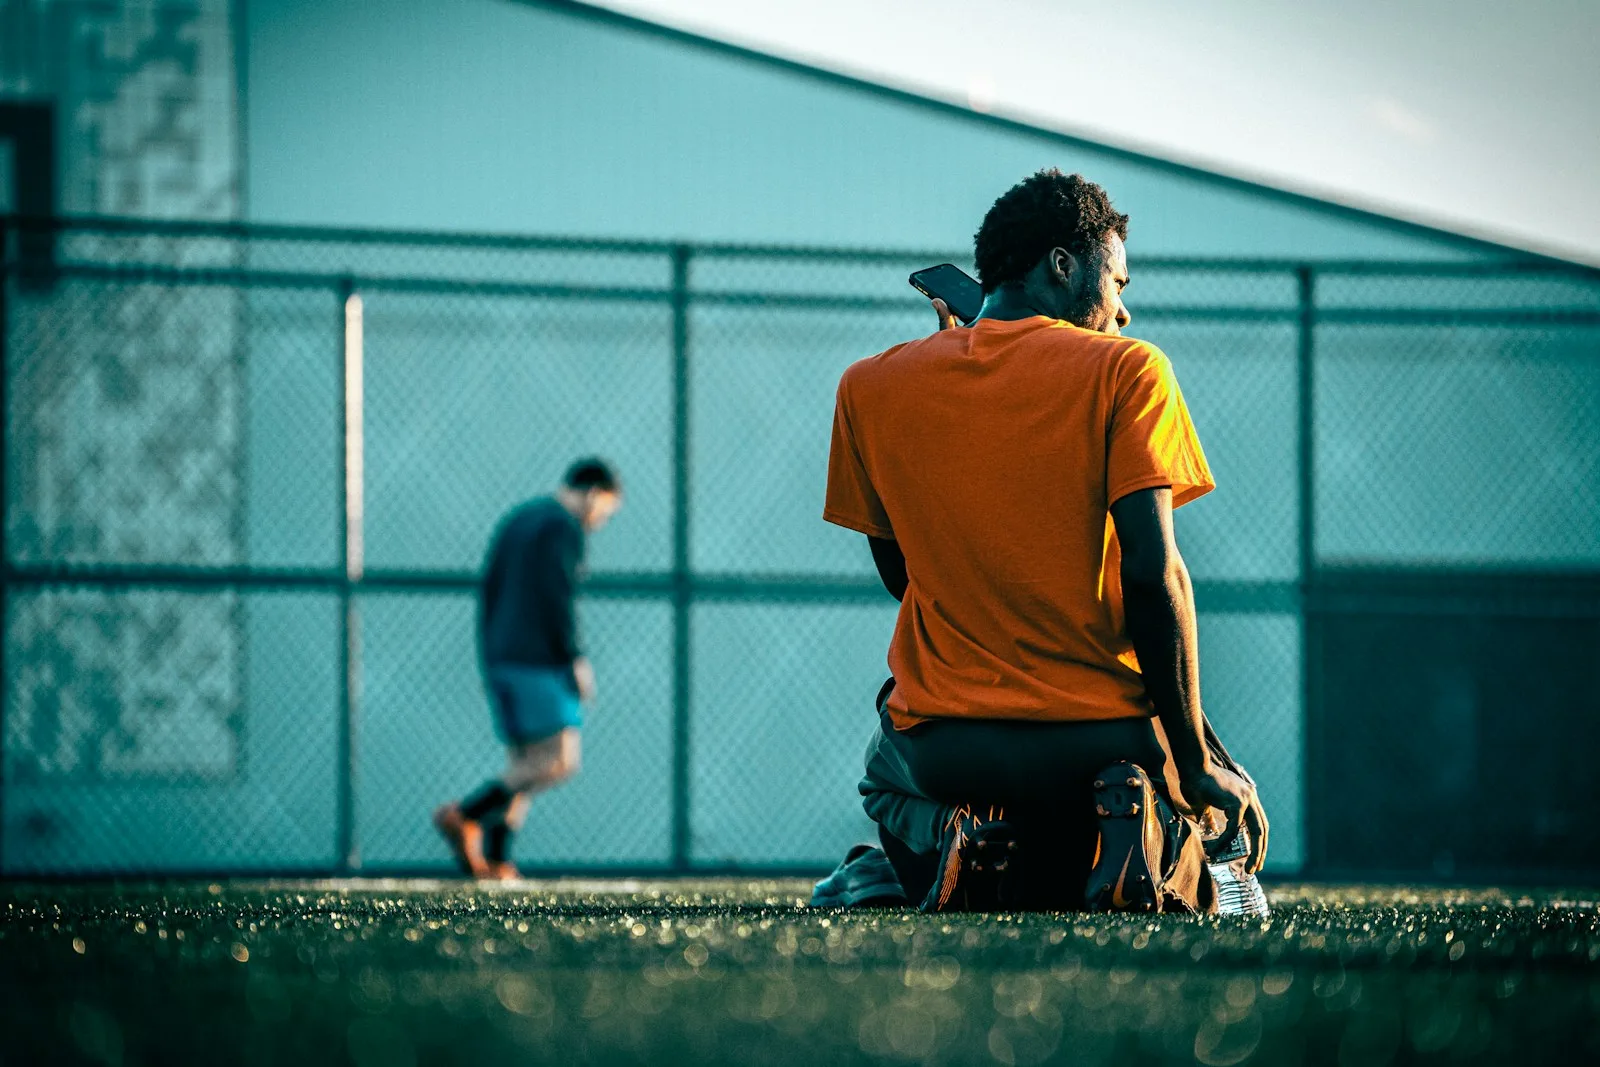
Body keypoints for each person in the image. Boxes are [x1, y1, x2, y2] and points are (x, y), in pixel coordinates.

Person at [825, 169, 1269, 913]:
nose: (1123, 311)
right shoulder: (1130, 371)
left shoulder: (869, 387)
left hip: (950, 743)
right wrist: (1194, 762)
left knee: (882, 774)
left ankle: (952, 835)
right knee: (1200, 855)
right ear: (1064, 266)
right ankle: (1143, 833)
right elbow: (1156, 577)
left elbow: (906, 577)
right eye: (1117, 281)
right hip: (1101, 739)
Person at [434, 458, 622, 879]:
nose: (600, 521)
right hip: (538, 659)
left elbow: (490, 588)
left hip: (501, 654)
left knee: (523, 762)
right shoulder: (562, 526)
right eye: (605, 511)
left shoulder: (519, 519)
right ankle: (465, 814)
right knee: (558, 760)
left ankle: (500, 859)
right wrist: (572, 657)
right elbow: (557, 595)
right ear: (594, 493)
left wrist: (492, 653)